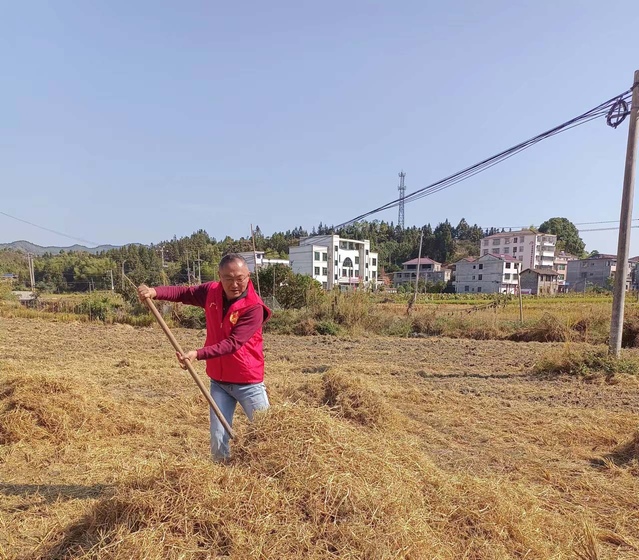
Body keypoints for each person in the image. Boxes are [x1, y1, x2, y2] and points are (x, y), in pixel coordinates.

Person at [138, 253, 271, 461]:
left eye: (240, 278)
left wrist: (198, 354)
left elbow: (233, 343)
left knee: (268, 434)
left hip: (248, 382)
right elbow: (184, 293)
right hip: (219, 382)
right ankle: (221, 474)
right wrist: (155, 292)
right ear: (220, 277)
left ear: (248, 276)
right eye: (228, 279)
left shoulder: (254, 307)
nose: (235, 284)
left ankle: (271, 473)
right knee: (218, 439)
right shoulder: (211, 292)